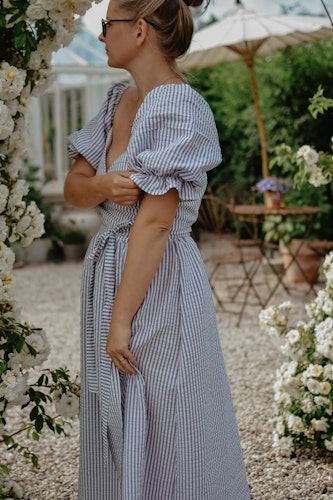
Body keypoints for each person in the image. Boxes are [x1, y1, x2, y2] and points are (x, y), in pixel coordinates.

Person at [65, 0, 251, 498]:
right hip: (111, 272)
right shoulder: (117, 101)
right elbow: (74, 187)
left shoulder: (177, 105)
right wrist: (104, 183)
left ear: (141, 30)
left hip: (158, 281)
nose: (102, 35)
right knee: (116, 411)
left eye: (107, 25)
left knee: (172, 415)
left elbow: (155, 223)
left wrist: (121, 319)